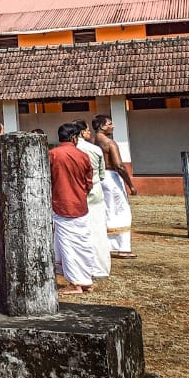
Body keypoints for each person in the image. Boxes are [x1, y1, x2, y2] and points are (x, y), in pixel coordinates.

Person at [49, 123, 97, 294]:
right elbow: (88, 182)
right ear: (74, 137)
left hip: (60, 204)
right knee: (83, 243)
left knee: (68, 245)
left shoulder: (52, 154)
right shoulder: (83, 155)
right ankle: (86, 280)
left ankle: (76, 283)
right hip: (79, 204)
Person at [94, 114, 137, 259]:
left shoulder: (91, 142)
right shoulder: (109, 143)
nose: (113, 126)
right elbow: (119, 165)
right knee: (121, 211)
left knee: (105, 210)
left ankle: (105, 246)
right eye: (109, 124)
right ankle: (123, 248)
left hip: (99, 179)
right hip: (112, 178)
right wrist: (130, 185)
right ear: (102, 126)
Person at [74, 119, 110, 279]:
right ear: (82, 132)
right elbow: (102, 175)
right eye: (87, 131)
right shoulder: (95, 149)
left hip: (76, 194)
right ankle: (100, 268)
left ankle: (81, 267)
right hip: (94, 192)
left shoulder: (71, 150)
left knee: (77, 233)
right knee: (98, 232)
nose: (90, 133)